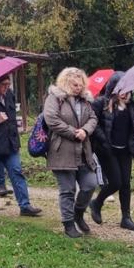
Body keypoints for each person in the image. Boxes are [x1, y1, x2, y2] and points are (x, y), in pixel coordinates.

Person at [0, 76, 43, 216]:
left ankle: (25, 206)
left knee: (17, 172)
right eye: (3, 85)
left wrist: (16, 142)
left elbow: (12, 120)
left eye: (8, 84)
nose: (7, 87)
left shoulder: (9, 96)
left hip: (10, 144)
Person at [43, 67, 98, 238]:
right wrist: (73, 132)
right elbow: (51, 119)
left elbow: (93, 118)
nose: (79, 88)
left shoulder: (85, 100)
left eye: (81, 85)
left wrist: (85, 131)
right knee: (67, 190)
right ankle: (68, 224)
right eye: (75, 85)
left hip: (83, 151)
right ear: (66, 82)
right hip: (62, 151)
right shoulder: (55, 98)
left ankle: (78, 214)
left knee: (90, 184)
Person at [88, 71, 134, 231]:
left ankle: (126, 218)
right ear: (113, 89)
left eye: (128, 89)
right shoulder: (100, 104)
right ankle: (96, 203)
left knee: (126, 183)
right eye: (122, 89)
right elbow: (94, 123)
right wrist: (104, 140)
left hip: (125, 150)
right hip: (107, 150)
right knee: (115, 182)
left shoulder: (132, 105)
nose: (125, 93)